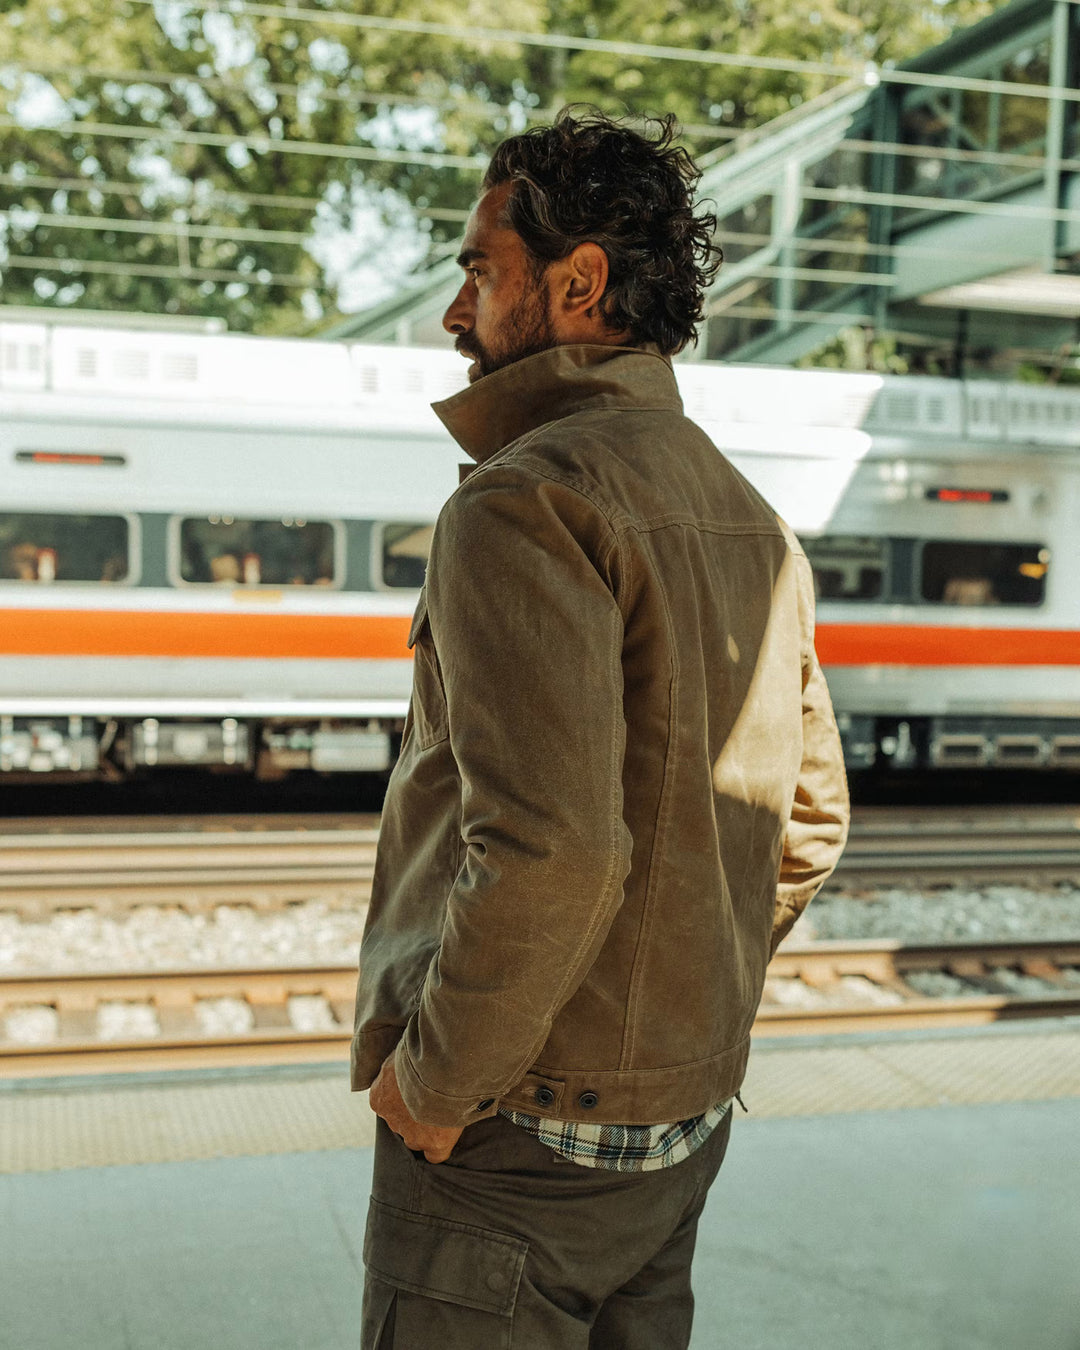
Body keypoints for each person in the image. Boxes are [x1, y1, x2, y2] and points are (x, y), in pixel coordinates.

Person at [351, 107, 850, 1350]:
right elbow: (810, 828)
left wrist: (434, 1085)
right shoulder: (749, 518)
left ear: (576, 284)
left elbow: (553, 851)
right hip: (678, 1133)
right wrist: (677, 1021)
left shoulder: (522, 502)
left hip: (513, 1138)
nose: (455, 316)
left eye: (479, 270)